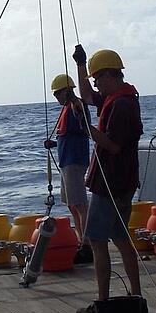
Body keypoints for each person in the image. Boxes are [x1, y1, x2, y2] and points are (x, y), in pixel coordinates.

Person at [71, 45, 147, 313]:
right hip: (121, 182)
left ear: (109, 75)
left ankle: (102, 302)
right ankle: (136, 297)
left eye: (97, 78)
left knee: (97, 240)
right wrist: (80, 65)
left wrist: (86, 128)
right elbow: (87, 96)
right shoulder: (118, 98)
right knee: (120, 238)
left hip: (111, 184)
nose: (95, 85)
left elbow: (113, 146)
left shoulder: (123, 105)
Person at [44, 74, 93, 264]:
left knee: (80, 203)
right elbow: (70, 136)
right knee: (72, 204)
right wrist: (55, 144)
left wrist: (73, 98)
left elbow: (81, 119)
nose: (56, 98)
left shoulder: (76, 105)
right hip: (67, 160)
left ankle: (87, 243)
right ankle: (81, 239)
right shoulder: (65, 109)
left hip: (74, 161)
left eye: (58, 94)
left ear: (67, 91)